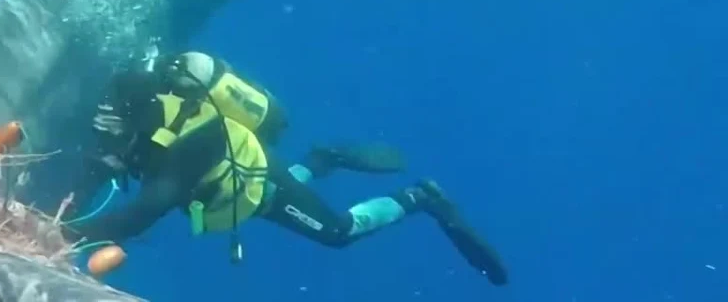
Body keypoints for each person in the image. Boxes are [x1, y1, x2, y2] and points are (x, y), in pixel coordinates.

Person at [64, 51, 509, 286]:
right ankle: (319, 162)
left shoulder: (189, 141)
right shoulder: (137, 115)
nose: (108, 141)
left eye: (114, 131)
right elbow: (98, 168)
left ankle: (420, 198)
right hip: (224, 189)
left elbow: (148, 208)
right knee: (257, 197)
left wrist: (61, 236)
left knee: (336, 233)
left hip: (254, 181)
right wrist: (59, 211)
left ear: (139, 119)